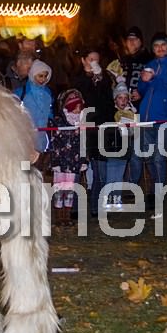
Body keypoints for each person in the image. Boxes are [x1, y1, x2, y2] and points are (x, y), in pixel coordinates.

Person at [134, 32, 167, 213]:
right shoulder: (150, 65)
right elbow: (142, 89)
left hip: (164, 118)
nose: (160, 48)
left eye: (163, 45)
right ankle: (155, 188)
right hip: (146, 118)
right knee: (148, 157)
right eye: (156, 46)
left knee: (160, 158)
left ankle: (157, 194)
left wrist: (154, 78)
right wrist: (144, 82)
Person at [72, 47, 114, 215]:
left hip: (101, 128)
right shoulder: (77, 80)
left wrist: (100, 79)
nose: (94, 63)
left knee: (99, 170)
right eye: (91, 59)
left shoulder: (105, 79)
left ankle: (96, 206)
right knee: (78, 169)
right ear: (83, 60)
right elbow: (81, 99)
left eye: (97, 59)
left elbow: (107, 101)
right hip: (83, 129)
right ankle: (74, 207)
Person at [48, 89, 86, 226]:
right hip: (61, 161)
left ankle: (67, 215)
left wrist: (83, 160)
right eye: (75, 106)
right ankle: (58, 215)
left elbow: (83, 142)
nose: (78, 109)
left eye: (79, 107)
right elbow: (55, 142)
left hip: (74, 161)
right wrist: (55, 161)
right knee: (59, 188)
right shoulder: (59, 121)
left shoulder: (81, 122)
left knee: (69, 188)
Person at [103, 82, 137, 209]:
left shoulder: (130, 113)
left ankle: (116, 199)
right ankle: (107, 199)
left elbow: (132, 132)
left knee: (118, 176)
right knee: (110, 176)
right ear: (115, 99)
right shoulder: (110, 112)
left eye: (125, 98)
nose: (123, 101)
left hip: (124, 149)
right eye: (120, 98)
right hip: (112, 149)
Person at [14, 59, 54, 162]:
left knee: (41, 163)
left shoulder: (47, 92)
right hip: (26, 134)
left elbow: (50, 110)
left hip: (43, 134)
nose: (43, 79)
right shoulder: (21, 92)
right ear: (33, 74)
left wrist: (51, 120)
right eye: (40, 76)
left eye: (45, 76)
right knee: (25, 162)